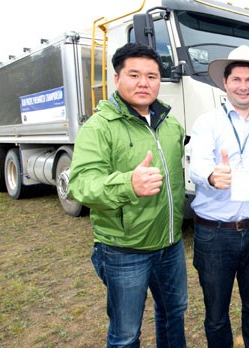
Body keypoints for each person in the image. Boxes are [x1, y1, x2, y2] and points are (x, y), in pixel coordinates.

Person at [68, 43, 188, 348]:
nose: (144, 83)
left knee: (173, 314)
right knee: (125, 334)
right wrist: (128, 185)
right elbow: (81, 184)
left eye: (152, 76)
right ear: (117, 78)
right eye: (134, 74)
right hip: (124, 250)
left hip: (170, 245)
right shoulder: (99, 127)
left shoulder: (170, 124)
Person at [188, 45, 249, 347]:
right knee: (216, 312)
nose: (243, 86)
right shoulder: (207, 123)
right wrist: (212, 175)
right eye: (237, 79)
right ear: (225, 83)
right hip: (215, 234)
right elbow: (198, 163)